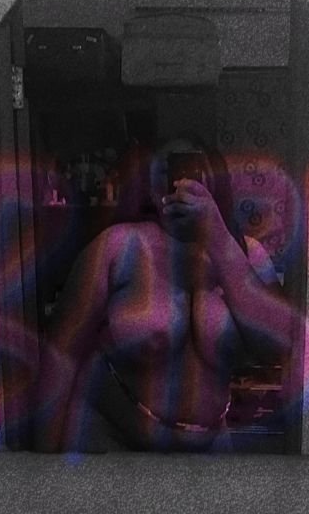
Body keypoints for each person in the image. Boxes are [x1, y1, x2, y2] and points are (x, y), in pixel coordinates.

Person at [32, 138, 295, 453]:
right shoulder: (118, 247)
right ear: (150, 188)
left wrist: (218, 239)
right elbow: (60, 356)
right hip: (114, 443)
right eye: (167, 174)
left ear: (214, 182)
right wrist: (45, 467)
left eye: (192, 173)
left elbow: (280, 346)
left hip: (210, 450)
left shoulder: (246, 254)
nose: (179, 185)